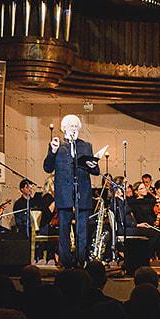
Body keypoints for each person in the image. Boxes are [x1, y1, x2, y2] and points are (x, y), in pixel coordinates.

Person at [43, 114, 108, 268]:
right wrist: (53, 151)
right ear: (64, 128)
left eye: (76, 126)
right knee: (64, 230)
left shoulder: (86, 146)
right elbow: (47, 168)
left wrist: (93, 165)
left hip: (82, 192)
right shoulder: (57, 144)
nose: (73, 128)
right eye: (70, 126)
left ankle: (81, 261)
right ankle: (66, 263)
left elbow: (95, 171)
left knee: (82, 230)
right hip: (64, 193)